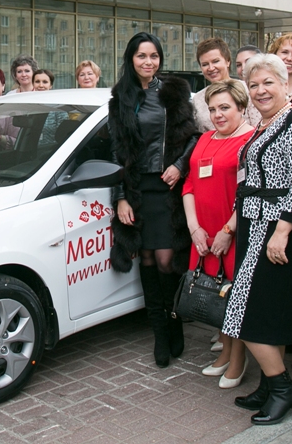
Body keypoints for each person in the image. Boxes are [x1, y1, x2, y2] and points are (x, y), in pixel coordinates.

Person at [224, 54, 292, 426]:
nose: (261, 90)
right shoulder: (262, 126)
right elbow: (249, 181)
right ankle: (270, 385)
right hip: (255, 225)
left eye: (268, 83)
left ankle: (284, 389)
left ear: (287, 87)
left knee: (248, 315)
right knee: (269, 315)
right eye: (254, 83)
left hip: (283, 229)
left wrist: (282, 232)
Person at [109, 32, 199, 368]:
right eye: (141, 56)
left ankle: (175, 322)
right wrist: (120, 197)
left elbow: (193, 137)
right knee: (145, 260)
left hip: (168, 187)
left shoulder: (174, 91)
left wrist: (179, 164)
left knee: (165, 260)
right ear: (130, 59)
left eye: (154, 56)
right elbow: (116, 150)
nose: (148, 62)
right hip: (136, 189)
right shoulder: (121, 97)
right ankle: (160, 334)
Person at [183, 80, 254, 388]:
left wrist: (228, 230)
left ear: (241, 107)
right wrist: (194, 228)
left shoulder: (251, 140)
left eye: (225, 108)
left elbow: (250, 192)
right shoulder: (205, 139)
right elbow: (189, 185)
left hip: (232, 233)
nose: (218, 115)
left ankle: (238, 360)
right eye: (212, 109)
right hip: (204, 235)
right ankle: (225, 353)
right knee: (217, 297)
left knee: (235, 298)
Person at [191, 38, 235, 131]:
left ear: (228, 61)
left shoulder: (247, 91)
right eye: (205, 64)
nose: (211, 68)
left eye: (215, 61)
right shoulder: (198, 98)